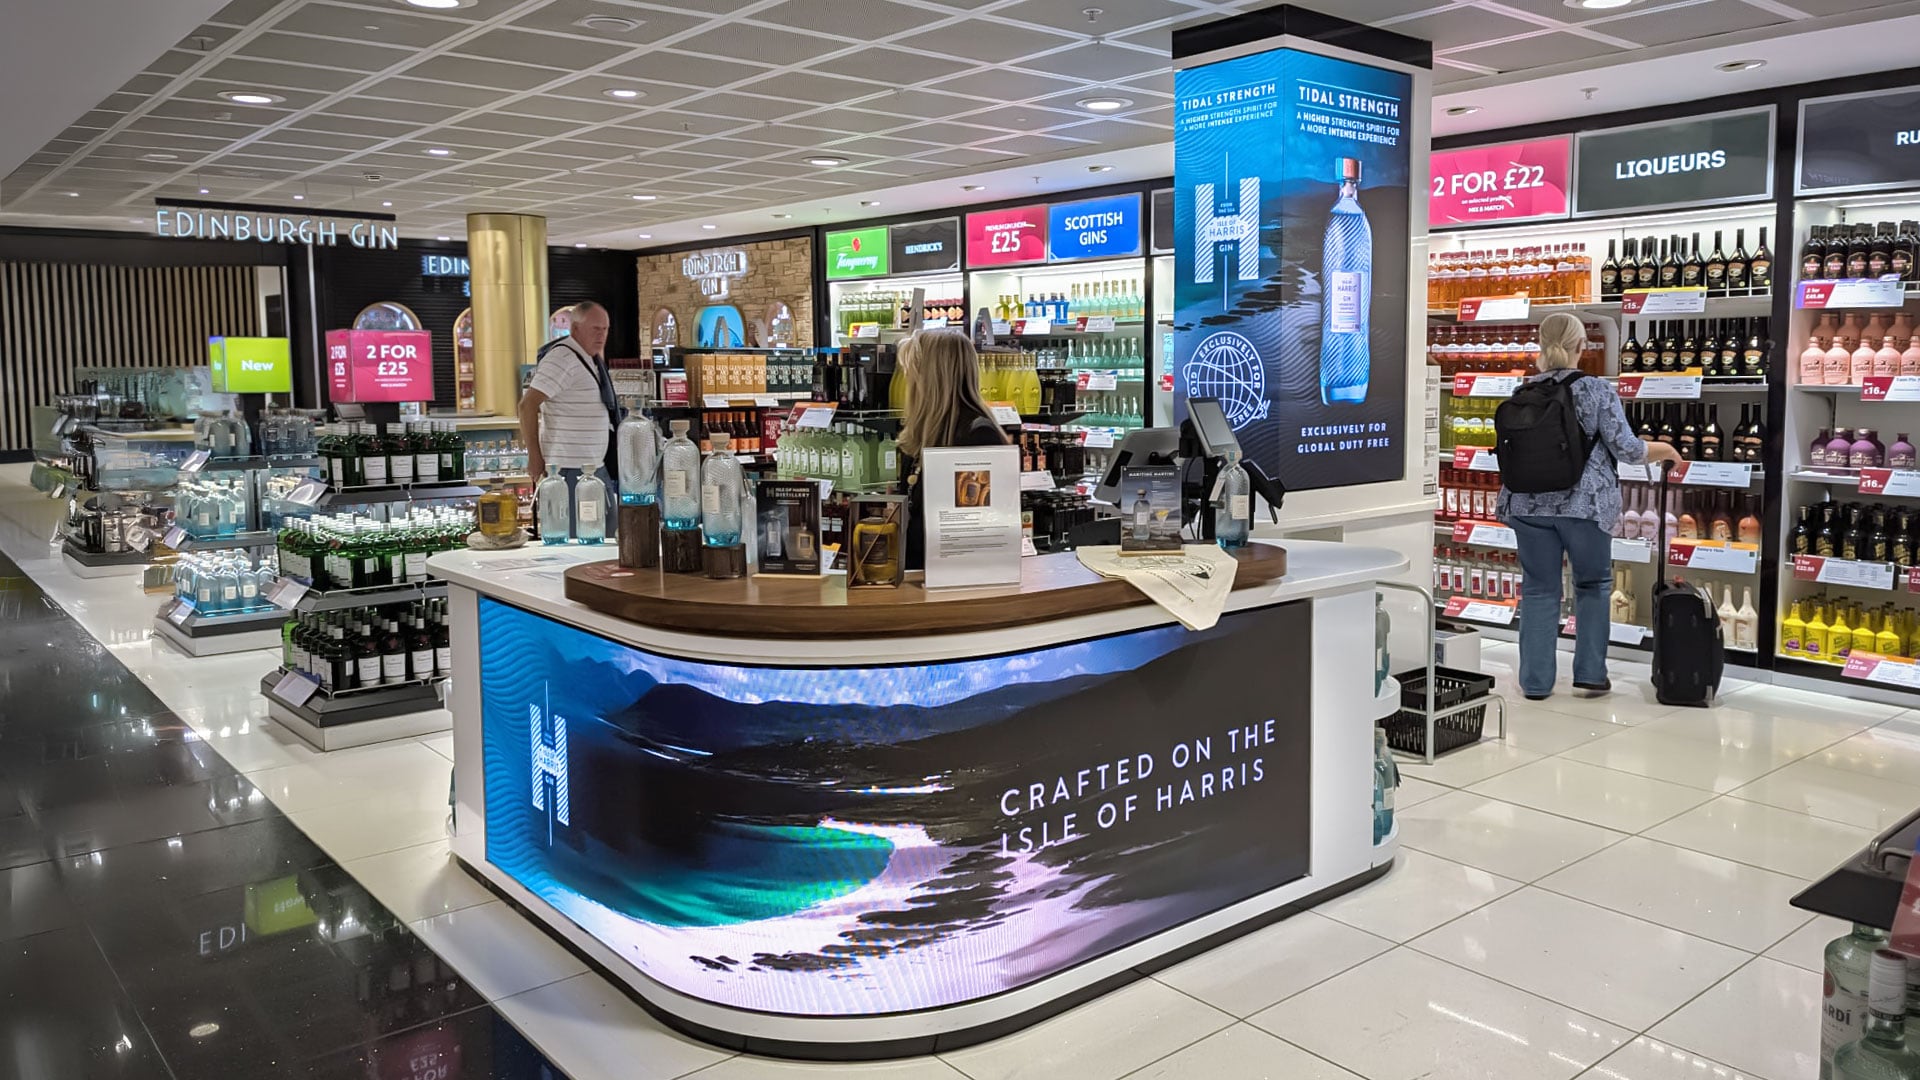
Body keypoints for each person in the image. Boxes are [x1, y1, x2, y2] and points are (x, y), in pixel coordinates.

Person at [1497, 312, 1680, 701]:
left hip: (1526, 504)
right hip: (1585, 504)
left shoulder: (1522, 390)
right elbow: (1628, 449)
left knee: (1539, 590)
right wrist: (1666, 450)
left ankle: (1535, 682)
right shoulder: (1595, 389)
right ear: (1583, 347)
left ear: (1541, 346)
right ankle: (1590, 674)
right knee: (1593, 585)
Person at [897, 330, 1010, 571]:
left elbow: (975, 532)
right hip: (918, 577)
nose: (907, 380)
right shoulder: (919, 436)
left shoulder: (978, 436)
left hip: (955, 582)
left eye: (912, 372)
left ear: (931, 378)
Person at [519, 301, 619, 537]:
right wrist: (535, 456)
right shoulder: (562, 357)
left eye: (605, 329)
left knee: (604, 542)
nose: (601, 335)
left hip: (593, 468)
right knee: (578, 545)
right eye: (595, 328)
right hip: (569, 470)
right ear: (575, 329)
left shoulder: (589, 359)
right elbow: (527, 405)